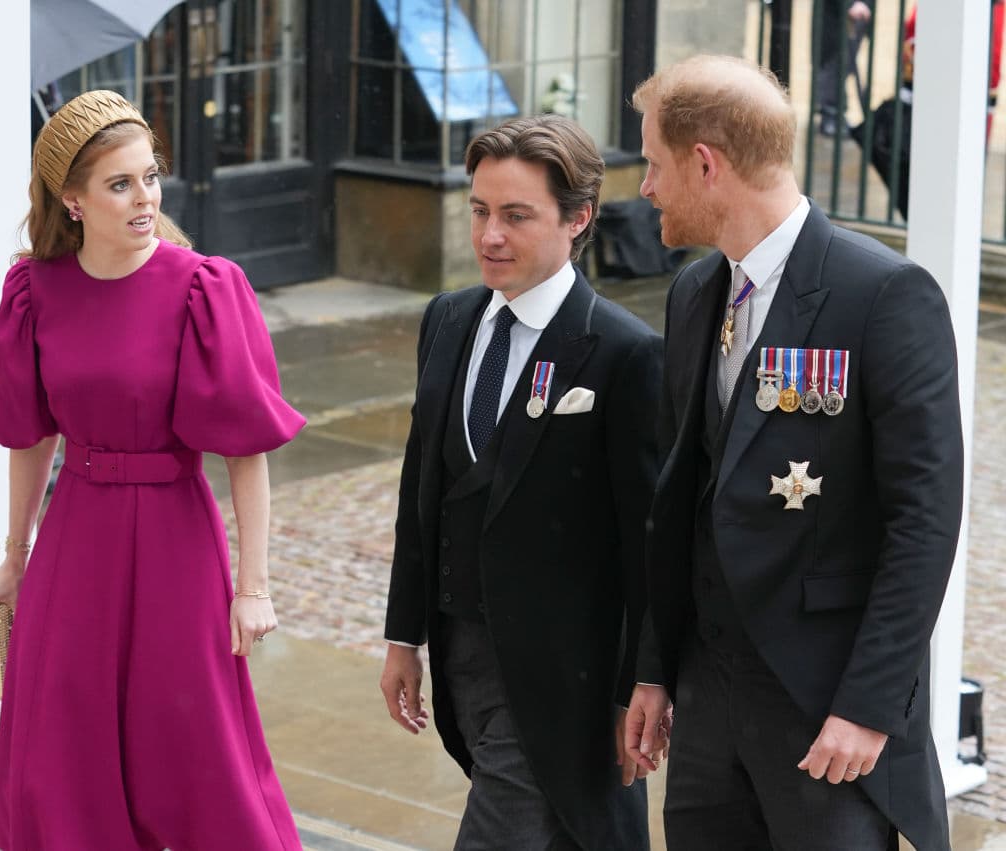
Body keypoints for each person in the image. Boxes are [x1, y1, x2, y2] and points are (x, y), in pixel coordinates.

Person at [624, 55, 962, 851]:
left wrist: (868, 708)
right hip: (707, 714)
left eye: (654, 164)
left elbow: (925, 519)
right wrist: (650, 667)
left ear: (705, 163)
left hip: (826, 717)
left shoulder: (883, 296)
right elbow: (675, 499)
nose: (644, 188)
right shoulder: (692, 292)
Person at [0, 90, 305, 849]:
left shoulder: (203, 288)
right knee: (61, 749)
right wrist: (15, 555)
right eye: (120, 184)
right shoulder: (34, 292)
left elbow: (244, 446)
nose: (145, 198)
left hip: (176, 537)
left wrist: (252, 586)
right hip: (77, 538)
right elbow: (29, 436)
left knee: (193, 747)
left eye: (150, 177)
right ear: (72, 200)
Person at [379, 114, 661, 850]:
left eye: (515, 215)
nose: (489, 236)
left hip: (564, 675)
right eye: (479, 211)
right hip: (460, 653)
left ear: (578, 219)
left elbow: (647, 542)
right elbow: (423, 490)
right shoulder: (448, 318)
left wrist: (642, 685)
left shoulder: (626, 353)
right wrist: (402, 635)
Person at [816, 0, 873, 136]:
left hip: (857, 13)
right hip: (838, 13)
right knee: (833, 60)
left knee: (845, 64)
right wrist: (851, 4)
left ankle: (837, 111)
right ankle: (830, 112)